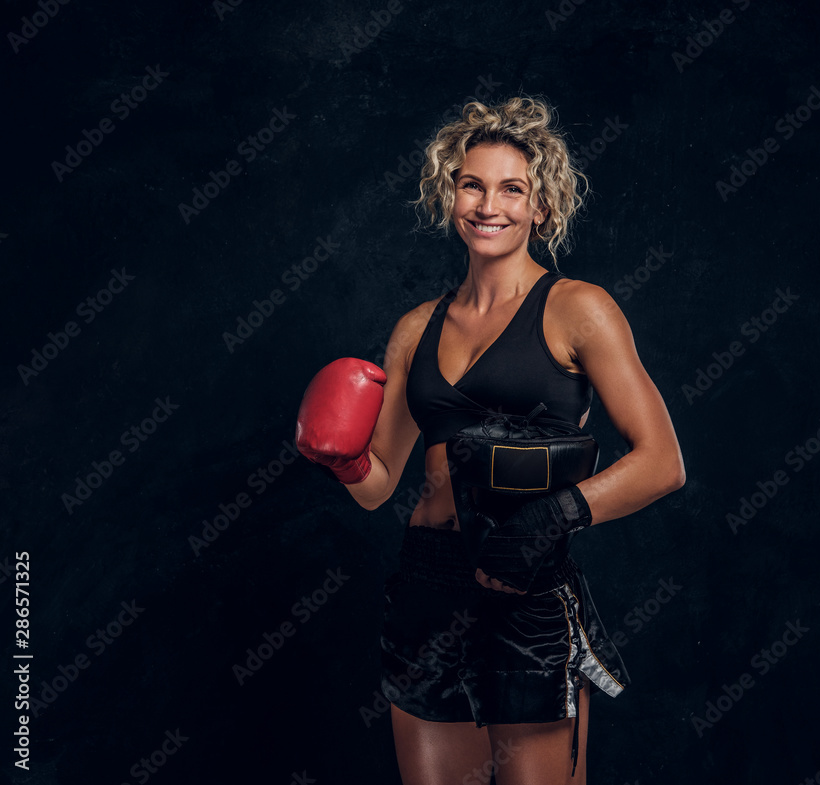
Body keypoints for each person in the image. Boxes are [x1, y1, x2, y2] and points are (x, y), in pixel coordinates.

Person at [295, 96, 685, 785]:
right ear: (450, 194)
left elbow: (663, 462)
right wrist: (344, 459)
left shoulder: (578, 308)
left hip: (523, 583)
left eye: (512, 189)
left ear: (542, 207)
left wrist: (551, 517)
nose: (487, 205)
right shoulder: (416, 327)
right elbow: (379, 485)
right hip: (427, 584)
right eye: (471, 184)